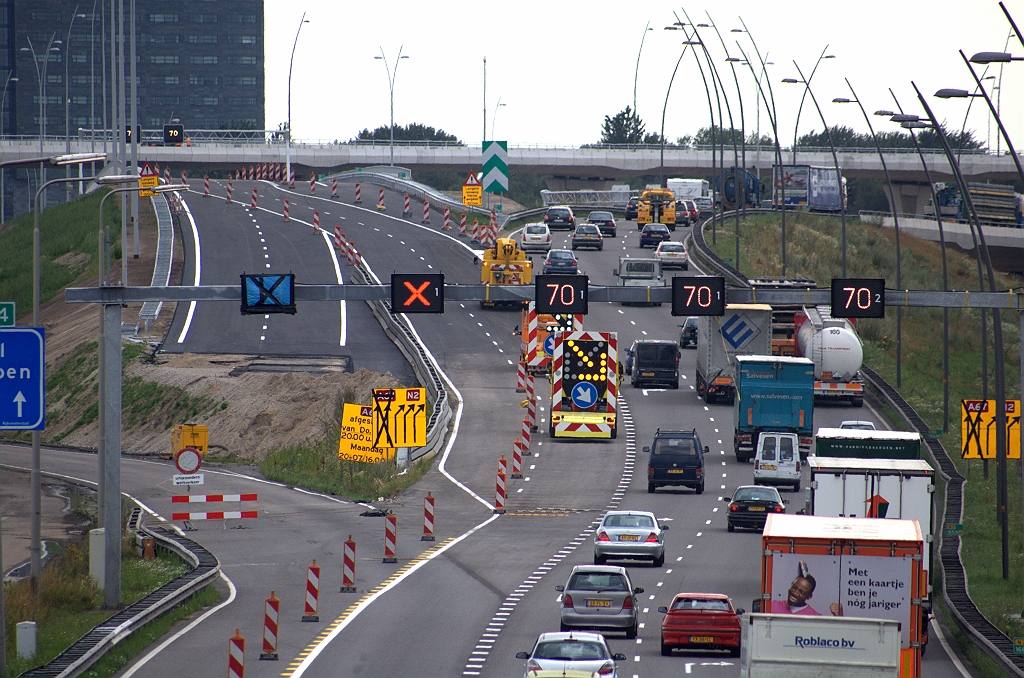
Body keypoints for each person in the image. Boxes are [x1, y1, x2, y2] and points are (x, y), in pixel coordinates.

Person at [770, 574, 843, 616]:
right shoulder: (772, 605)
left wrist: (839, 618)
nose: (795, 593)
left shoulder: (815, 617)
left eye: (802, 592)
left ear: (809, 596)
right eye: (794, 587)